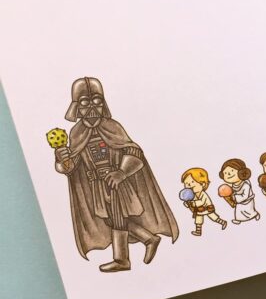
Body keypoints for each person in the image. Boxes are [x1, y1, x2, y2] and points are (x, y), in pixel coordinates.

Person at [53, 77, 179, 272]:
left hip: (116, 181)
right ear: (76, 106)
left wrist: (121, 172)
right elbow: (72, 167)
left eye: (96, 100)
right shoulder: (76, 132)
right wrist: (62, 158)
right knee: (110, 220)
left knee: (118, 217)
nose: (92, 107)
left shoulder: (113, 126)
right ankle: (149, 239)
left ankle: (122, 259)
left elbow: (133, 151)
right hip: (97, 185)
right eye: (85, 102)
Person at [181, 168, 227, 236]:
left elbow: (201, 202)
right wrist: (188, 204)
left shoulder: (203, 194)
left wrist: (193, 203)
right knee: (198, 220)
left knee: (213, 217)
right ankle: (198, 231)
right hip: (199, 210)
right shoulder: (193, 195)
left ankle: (223, 222)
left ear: (202, 184)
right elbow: (192, 203)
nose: (189, 185)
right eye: (186, 183)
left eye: (192, 182)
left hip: (207, 208)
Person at [219, 159, 260, 225]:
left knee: (250, 211)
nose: (228, 174)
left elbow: (245, 196)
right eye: (225, 173)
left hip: (247, 201)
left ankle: (255, 214)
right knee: (238, 211)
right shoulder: (234, 184)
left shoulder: (246, 185)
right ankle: (238, 219)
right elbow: (233, 191)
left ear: (241, 172)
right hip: (239, 202)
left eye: (232, 171)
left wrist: (234, 197)